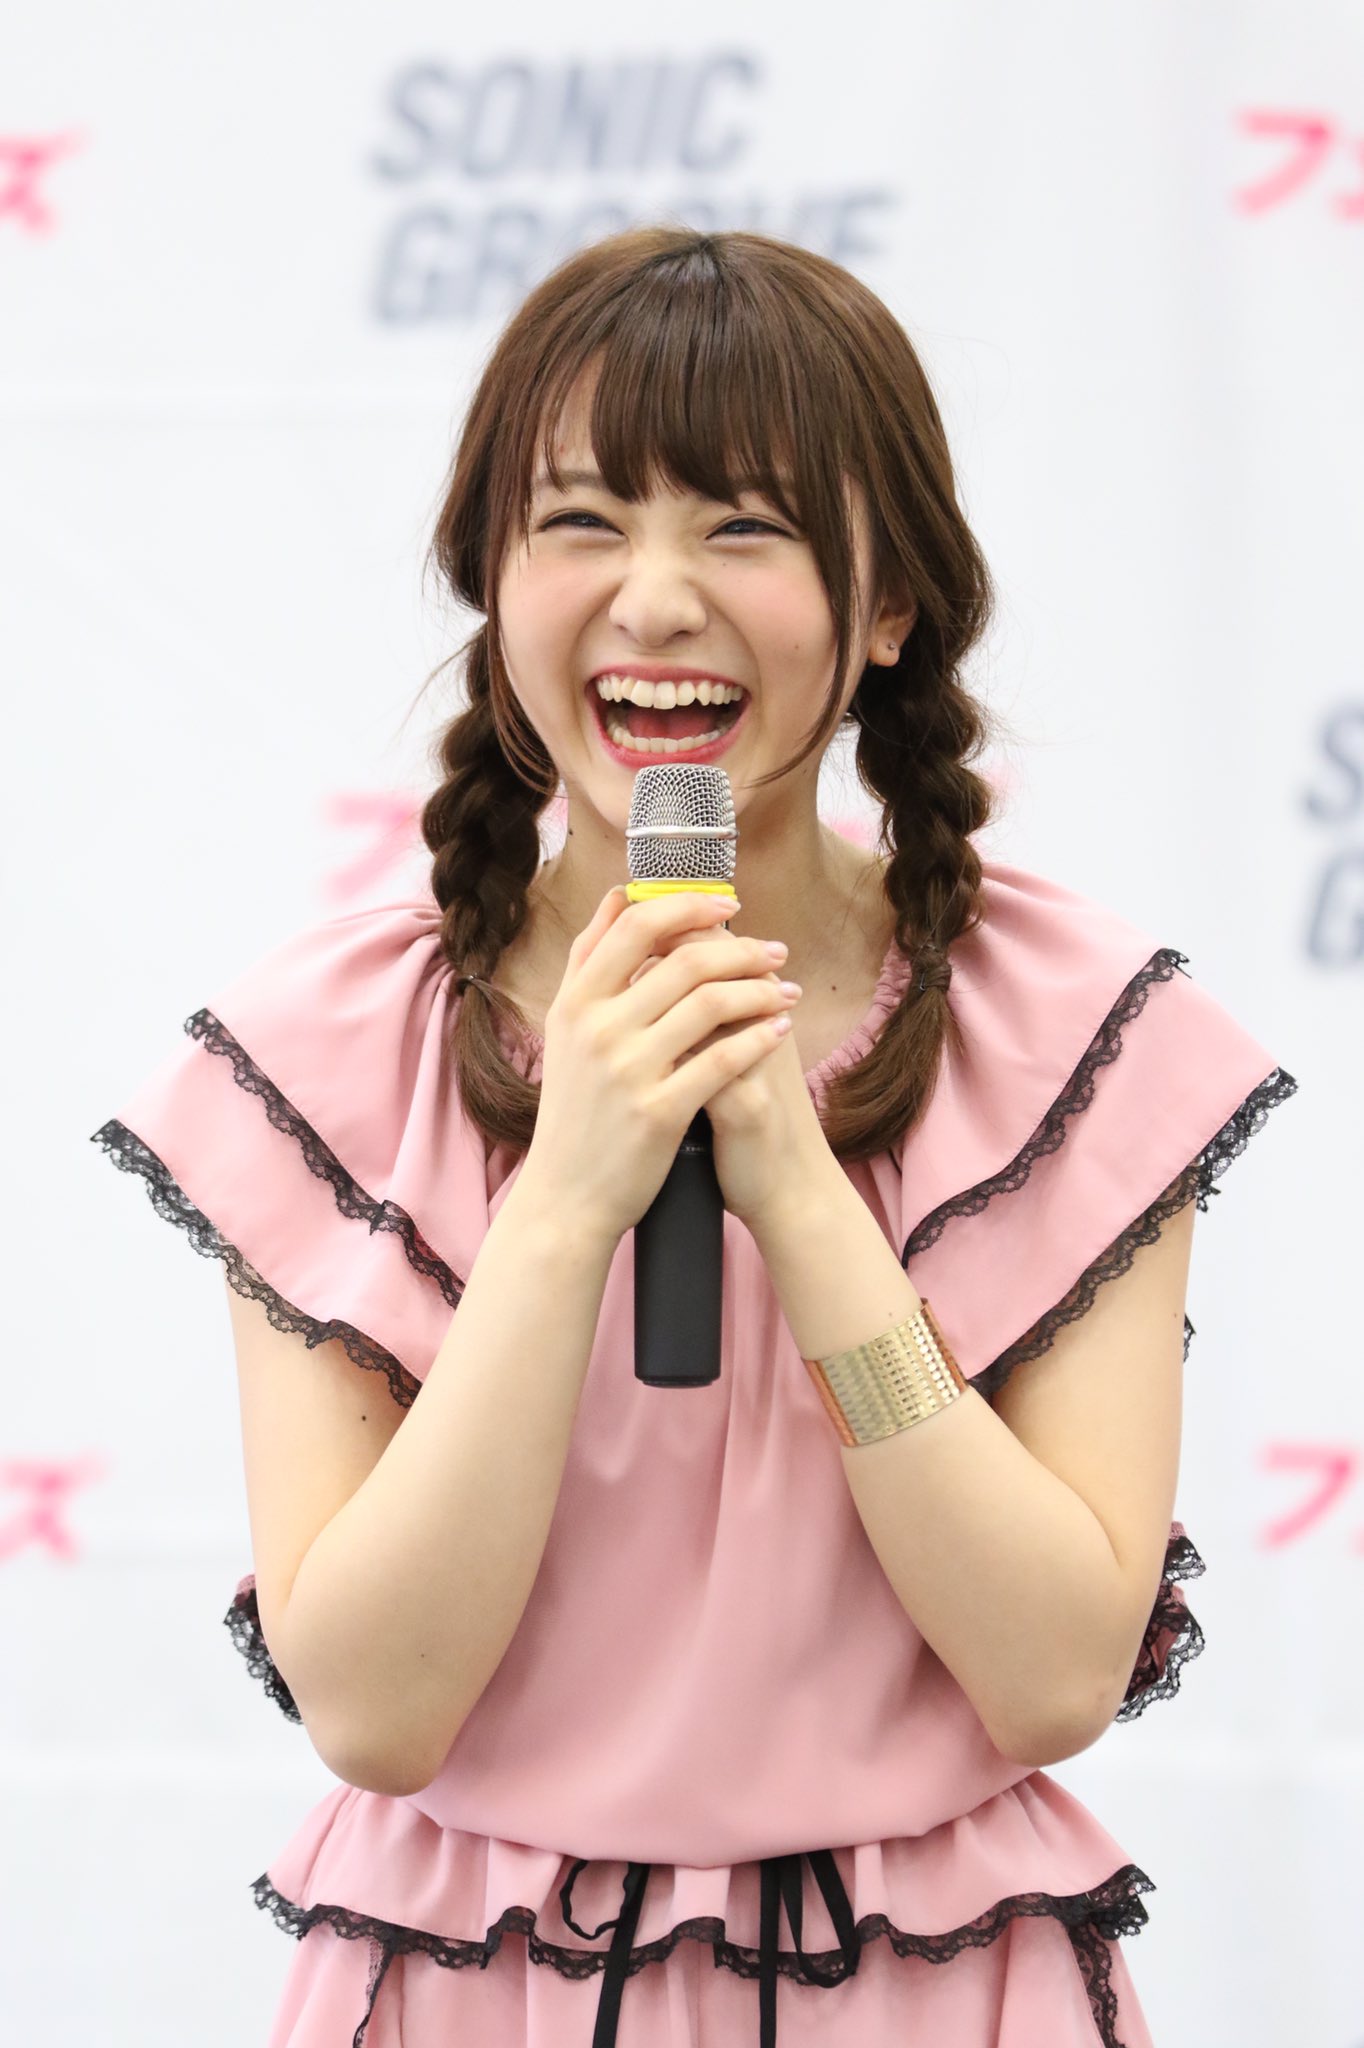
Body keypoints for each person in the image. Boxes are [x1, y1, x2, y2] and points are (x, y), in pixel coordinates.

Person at [90, 226, 1298, 2048]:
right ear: (493, 584)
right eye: (579, 523)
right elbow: (377, 1709)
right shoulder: (344, 1057)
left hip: (934, 1985)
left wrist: (800, 1198)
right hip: (473, 1986)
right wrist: (568, 1202)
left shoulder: (1064, 1038)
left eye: (744, 527)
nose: (652, 601)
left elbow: (1054, 1673)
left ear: (890, 606)